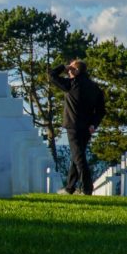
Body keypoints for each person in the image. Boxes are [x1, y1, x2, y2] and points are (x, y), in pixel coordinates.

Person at [49, 59, 105, 195]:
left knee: (78, 157)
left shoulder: (72, 84)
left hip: (73, 126)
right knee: (76, 156)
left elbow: (51, 75)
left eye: (71, 69)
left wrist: (63, 66)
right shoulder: (95, 87)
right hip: (88, 128)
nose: (68, 71)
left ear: (76, 71)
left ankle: (87, 188)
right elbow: (101, 110)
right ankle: (70, 188)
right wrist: (94, 124)